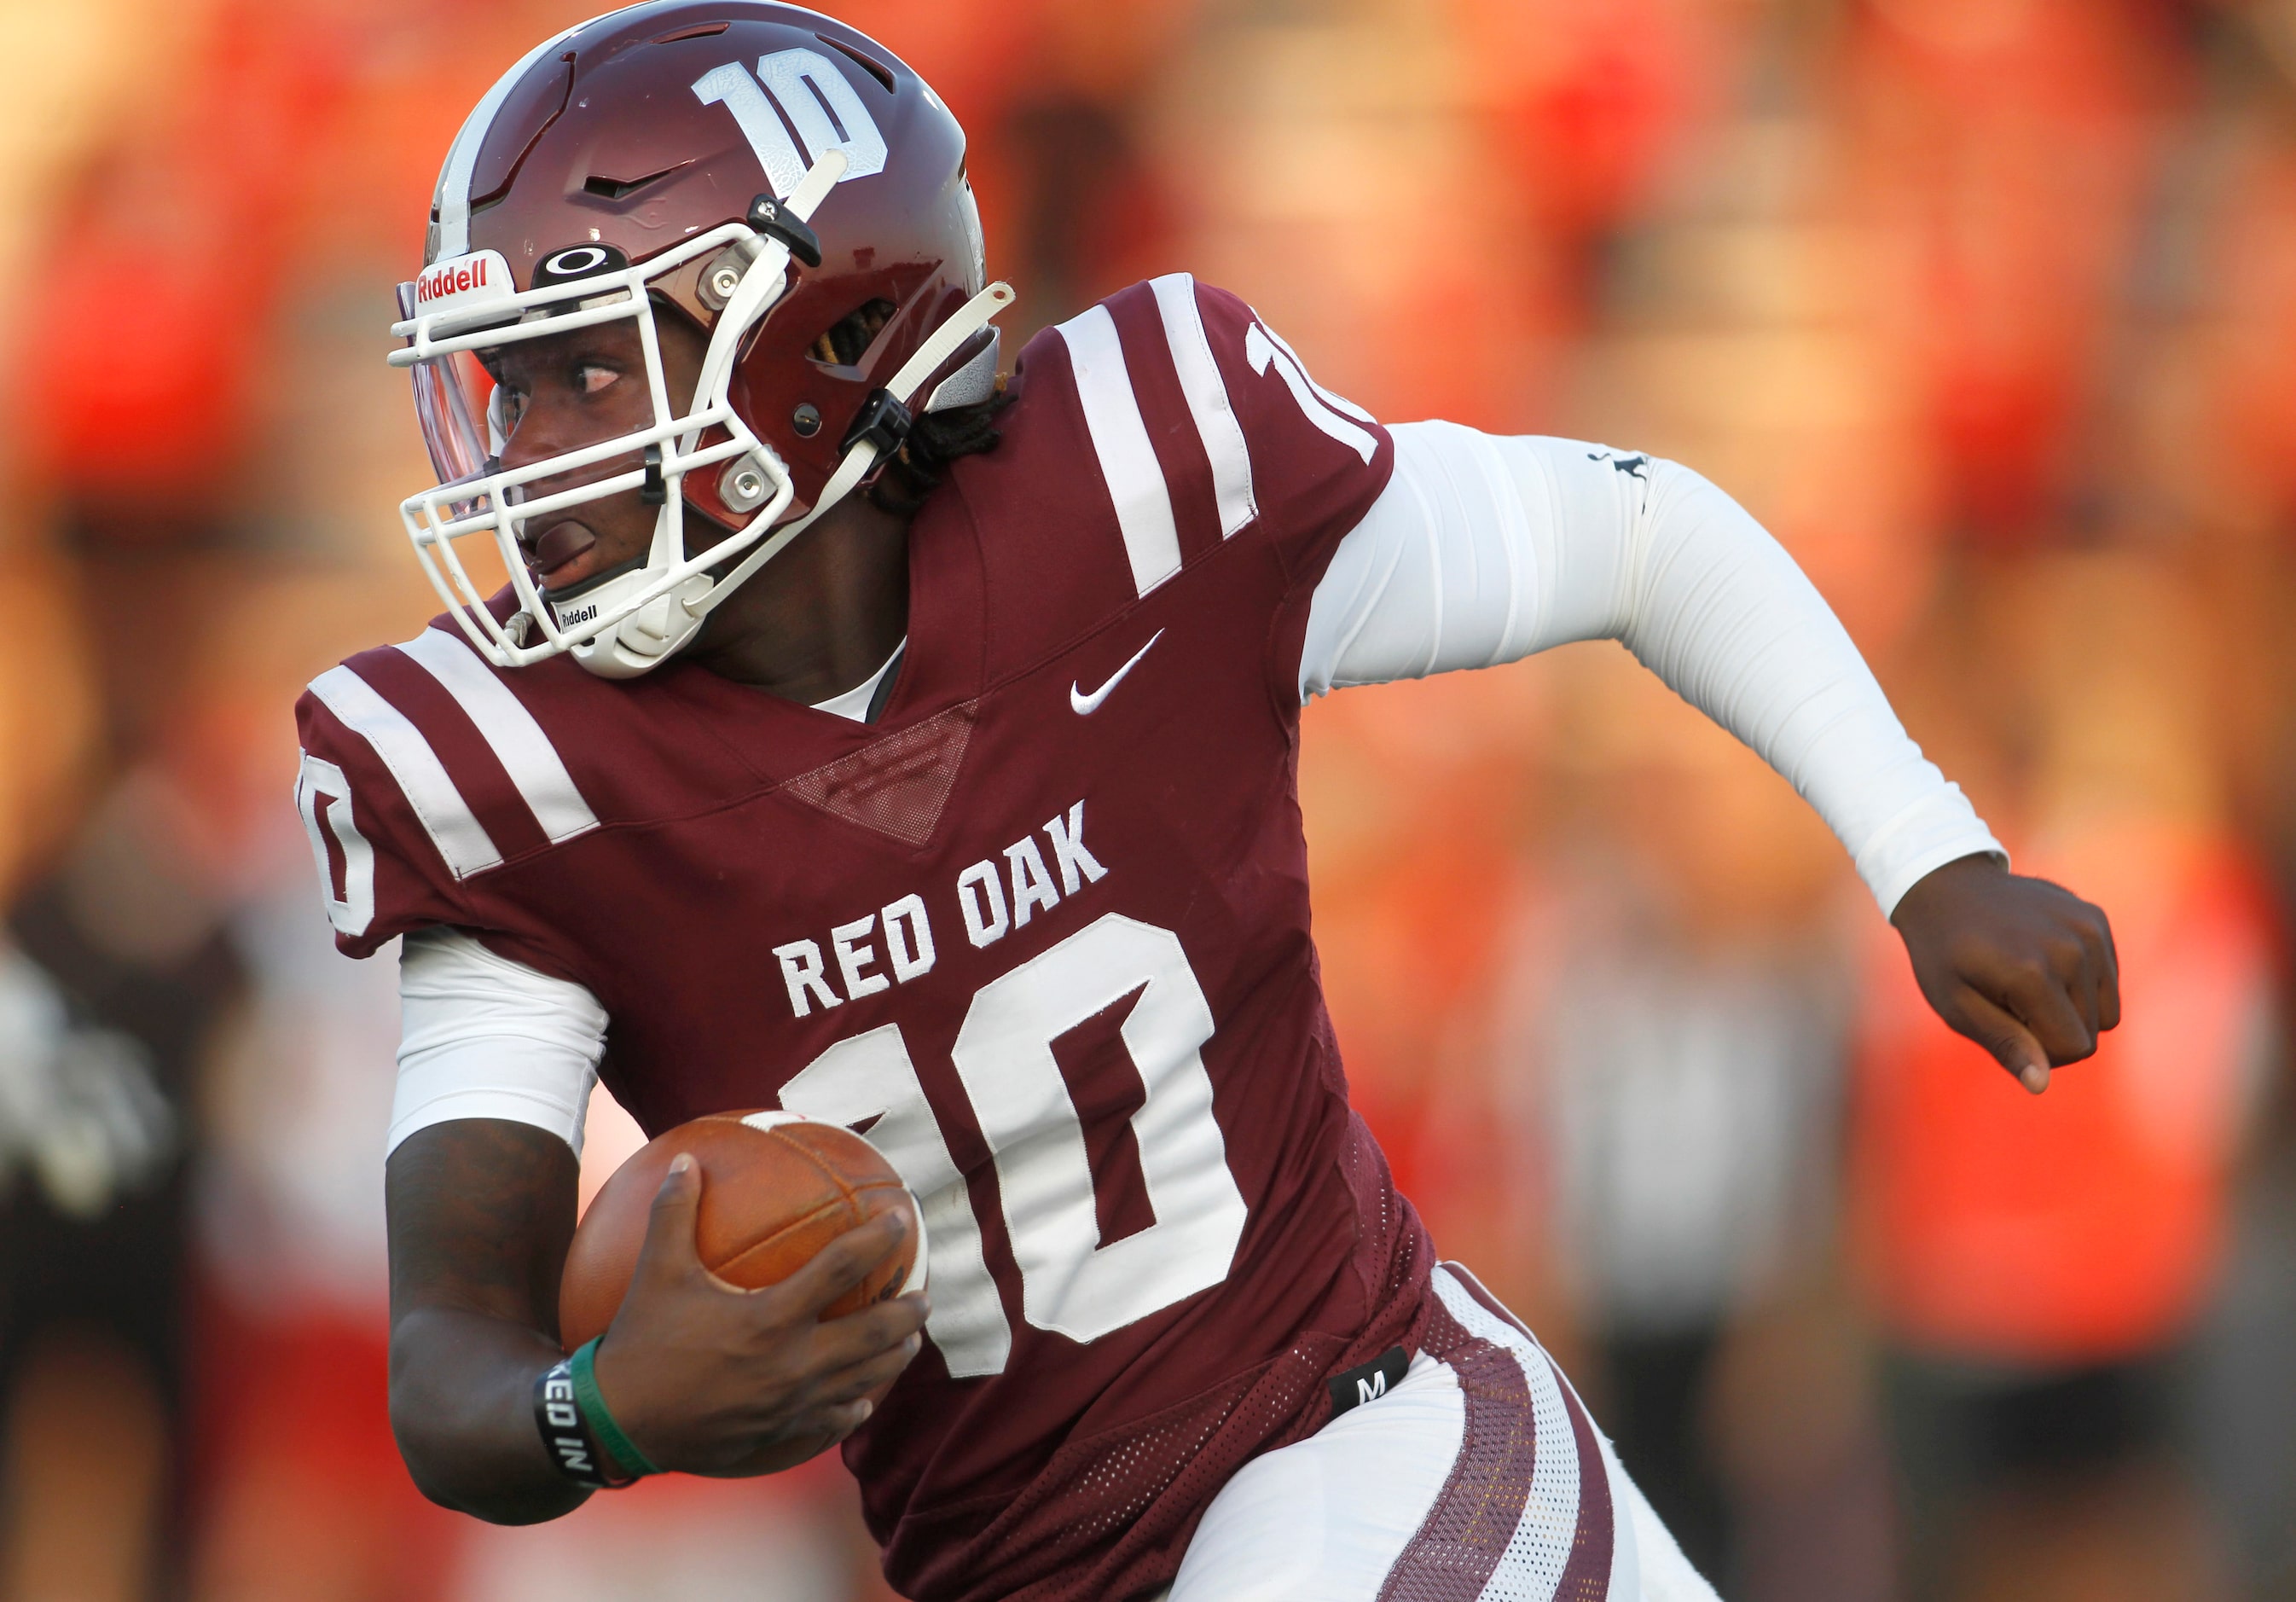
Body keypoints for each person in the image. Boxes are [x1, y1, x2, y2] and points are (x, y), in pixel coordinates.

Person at [292, 7, 2119, 1599]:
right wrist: (597, 1413)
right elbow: (454, 1358)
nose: (523, 458)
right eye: (500, 391)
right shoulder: (511, 783)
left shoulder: (1143, 496)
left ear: (821, 341)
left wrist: (1925, 850)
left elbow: (1631, 529)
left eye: (578, 373)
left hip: (1367, 1447)